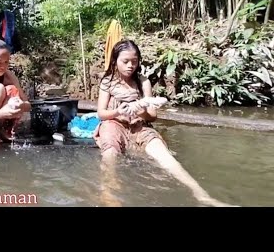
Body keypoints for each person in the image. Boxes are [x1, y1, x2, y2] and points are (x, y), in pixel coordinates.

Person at [95, 39, 233, 207]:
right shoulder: (107, 82)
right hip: (113, 123)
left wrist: (140, 109)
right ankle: (109, 194)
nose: (130, 65)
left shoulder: (143, 82)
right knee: (110, 153)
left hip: (139, 125)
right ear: (115, 61)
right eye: (125, 61)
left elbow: (152, 116)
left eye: (135, 61)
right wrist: (119, 111)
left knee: (165, 156)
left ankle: (202, 195)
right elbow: (102, 114)